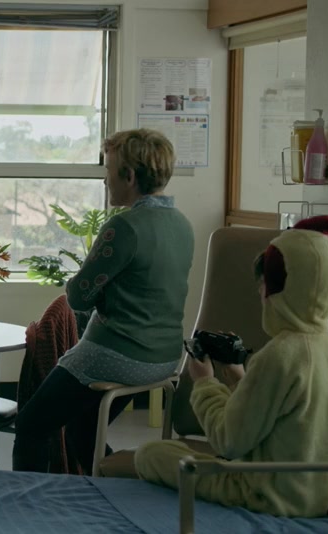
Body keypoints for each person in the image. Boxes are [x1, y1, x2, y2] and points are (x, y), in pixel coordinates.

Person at [135, 216, 328, 517]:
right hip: (324, 493)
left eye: (263, 286)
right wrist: (240, 380)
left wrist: (205, 383)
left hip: (271, 496)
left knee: (151, 454)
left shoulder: (279, 355)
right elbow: (288, 418)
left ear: (275, 290)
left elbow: (229, 441)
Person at [12, 129, 194, 474]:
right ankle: (114, 490)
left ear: (129, 176)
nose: (105, 179)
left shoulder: (124, 227)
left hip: (117, 355)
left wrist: (97, 292)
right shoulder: (182, 224)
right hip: (164, 358)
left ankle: (29, 503)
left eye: (108, 170)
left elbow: (78, 297)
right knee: (83, 430)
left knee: (31, 425)